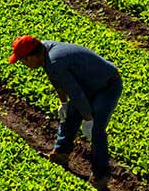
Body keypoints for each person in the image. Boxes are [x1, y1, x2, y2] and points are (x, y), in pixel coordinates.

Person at [12, 36, 121, 182]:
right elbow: (56, 79)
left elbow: (76, 94)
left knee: (96, 130)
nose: (23, 64)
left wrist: (88, 120)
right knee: (69, 115)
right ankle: (60, 153)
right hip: (88, 83)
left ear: (30, 57)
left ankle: (101, 175)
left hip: (107, 86)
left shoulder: (55, 60)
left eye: (22, 60)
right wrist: (63, 103)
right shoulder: (44, 51)